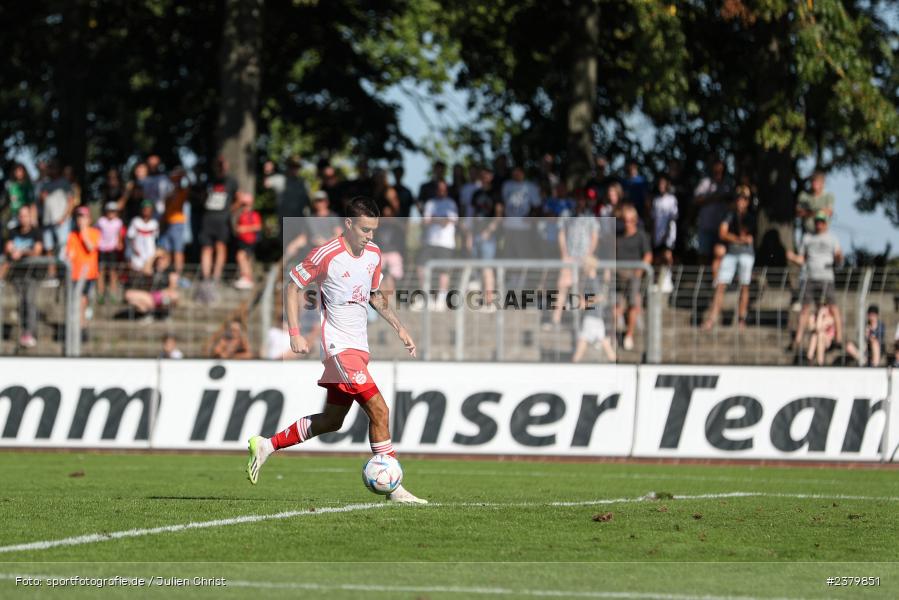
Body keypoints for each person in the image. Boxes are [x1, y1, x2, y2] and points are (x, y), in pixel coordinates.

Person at [246, 196, 426, 504]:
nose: (370, 236)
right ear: (349, 224)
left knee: (332, 421)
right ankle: (394, 488)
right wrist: (294, 333)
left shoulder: (374, 254)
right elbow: (292, 285)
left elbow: (374, 295)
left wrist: (400, 327)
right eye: (365, 229)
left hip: (359, 348)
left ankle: (267, 445)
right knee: (380, 410)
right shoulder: (326, 254)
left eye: (373, 230)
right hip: (338, 348)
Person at [788, 211, 843, 352]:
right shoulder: (808, 238)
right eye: (817, 221)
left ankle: (839, 338)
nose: (819, 224)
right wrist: (793, 257)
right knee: (805, 308)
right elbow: (802, 259)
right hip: (810, 277)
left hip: (826, 277)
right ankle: (798, 339)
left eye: (822, 222)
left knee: (833, 307)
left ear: (826, 223)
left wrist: (839, 258)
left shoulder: (832, 239)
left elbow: (838, 257)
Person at [702, 186, 756, 331]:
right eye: (739, 198)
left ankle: (741, 319)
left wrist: (735, 236)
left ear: (748, 201)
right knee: (720, 285)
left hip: (746, 254)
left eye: (744, 199)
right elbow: (723, 233)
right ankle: (712, 319)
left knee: (744, 285)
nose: (740, 202)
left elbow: (746, 235)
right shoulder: (729, 215)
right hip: (731, 253)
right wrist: (738, 239)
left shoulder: (750, 217)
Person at [551, 190, 598, 327]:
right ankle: (555, 320)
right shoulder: (566, 214)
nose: (580, 202)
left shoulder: (590, 216)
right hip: (570, 257)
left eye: (582, 199)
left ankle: (583, 322)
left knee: (585, 289)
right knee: (562, 286)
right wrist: (564, 255)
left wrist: (588, 255)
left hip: (585, 258)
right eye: (578, 198)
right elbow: (561, 234)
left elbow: (594, 236)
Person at [4, 205, 43, 347]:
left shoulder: (36, 232)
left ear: (30, 217)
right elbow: (8, 247)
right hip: (17, 274)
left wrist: (21, 253)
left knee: (29, 302)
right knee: (21, 303)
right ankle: (24, 331)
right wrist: (11, 251)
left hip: (32, 274)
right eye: (21, 216)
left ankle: (30, 332)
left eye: (26, 215)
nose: (23, 218)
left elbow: (37, 250)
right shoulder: (13, 231)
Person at [615, 205, 652, 351]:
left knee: (633, 304)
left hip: (634, 276)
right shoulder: (618, 236)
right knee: (615, 305)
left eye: (630, 220)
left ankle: (629, 335)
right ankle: (615, 335)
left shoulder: (641, 236)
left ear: (635, 220)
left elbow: (648, 255)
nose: (627, 223)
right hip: (618, 276)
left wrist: (639, 271)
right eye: (625, 220)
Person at [420, 180, 458, 311]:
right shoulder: (430, 203)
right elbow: (426, 221)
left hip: (446, 243)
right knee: (421, 267)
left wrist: (435, 218)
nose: (441, 191)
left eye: (444, 189)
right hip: (430, 242)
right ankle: (427, 298)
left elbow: (448, 221)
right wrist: (439, 219)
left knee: (444, 271)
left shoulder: (451, 203)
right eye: (439, 189)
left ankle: (441, 299)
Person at [199, 157, 237, 285]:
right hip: (208, 219)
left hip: (223, 220)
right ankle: (206, 277)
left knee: (221, 246)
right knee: (206, 248)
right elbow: (202, 197)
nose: (221, 167)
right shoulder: (209, 181)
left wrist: (229, 210)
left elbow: (239, 198)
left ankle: (216, 276)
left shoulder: (231, 182)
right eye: (218, 165)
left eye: (223, 164)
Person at [693, 160, 731, 281]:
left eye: (721, 171)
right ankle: (702, 281)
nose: (718, 173)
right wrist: (713, 197)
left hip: (721, 227)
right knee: (703, 254)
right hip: (706, 225)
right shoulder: (706, 183)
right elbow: (696, 199)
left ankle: (716, 282)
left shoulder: (727, 184)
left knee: (719, 254)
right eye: (716, 170)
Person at [65, 207, 101, 328]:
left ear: (89, 219)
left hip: (89, 273)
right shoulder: (72, 235)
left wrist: (84, 232)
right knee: (79, 298)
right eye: (79, 217)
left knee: (83, 297)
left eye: (84, 217)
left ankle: (82, 321)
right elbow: (69, 254)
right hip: (75, 274)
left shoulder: (94, 233)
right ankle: (79, 321)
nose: (81, 220)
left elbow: (90, 247)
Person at [39, 160, 75, 266]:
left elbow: (71, 202)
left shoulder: (64, 183)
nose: (52, 170)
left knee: (62, 248)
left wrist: (64, 218)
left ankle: (65, 272)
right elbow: (41, 201)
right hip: (48, 221)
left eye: (54, 168)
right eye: (50, 168)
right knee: (48, 247)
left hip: (62, 221)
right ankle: (52, 273)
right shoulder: (45, 184)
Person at [158, 167, 189, 279]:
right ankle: (164, 274)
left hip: (177, 223)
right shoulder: (169, 194)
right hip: (167, 224)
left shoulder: (183, 191)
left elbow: (188, 185)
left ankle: (178, 275)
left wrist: (183, 175)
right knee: (165, 250)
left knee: (178, 250)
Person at [650, 174, 678, 292]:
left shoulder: (672, 199)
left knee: (667, 255)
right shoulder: (656, 200)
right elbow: (653, 218)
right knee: (658, 257)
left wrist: (667, 232)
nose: (661, 186)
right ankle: (659, 280)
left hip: (669, 234)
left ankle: (668, 277)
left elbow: (673, 217)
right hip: (657, 233)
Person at [233, 192, 261, 290]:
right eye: (243, 205)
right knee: (246, 259)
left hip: (249, 241)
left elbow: (257, 226)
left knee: (240, 256)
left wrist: (244, 229)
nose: (244, 207)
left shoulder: (253, 215)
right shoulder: (241, 214)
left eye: (246, 204)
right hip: (242, 240)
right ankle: (247, 278)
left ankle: (247, 277)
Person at [96, 202, 124, 302]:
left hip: (112, 249)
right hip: (102, 249)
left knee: (113, 272)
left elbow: (119, 233)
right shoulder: (101, 221)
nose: (111, 213)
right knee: (100, 272)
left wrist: (120, 242)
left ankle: (113, 294)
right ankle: (100, 294)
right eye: (109, 211)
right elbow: (96, 232)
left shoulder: (118, 222)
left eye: (113, 211)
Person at [797, 169, 835, 236]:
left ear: (822, 183)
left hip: (824, 234)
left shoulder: (829, 196)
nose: (815, 184)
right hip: (808, 234)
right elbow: (799, 212)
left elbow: (829, 212)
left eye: (817, 182)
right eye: (813, 181)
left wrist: (812, 212)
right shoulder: (804, 195)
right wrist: (817, 212)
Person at [127, 200, 160, 276]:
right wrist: (134, 250)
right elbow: (130, 237)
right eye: (144, 209)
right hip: (137, 254)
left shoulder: (154, 223)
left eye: (148, 209)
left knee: (149, 274)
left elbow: (156, 239)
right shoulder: (135, 221)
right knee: (136, 274)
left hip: (150, 255)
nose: (146, 211)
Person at [3, 163, 37, 227]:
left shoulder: (28, 185)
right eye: (16, 171)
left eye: (20, 171)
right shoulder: (11, 185)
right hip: (14, 216)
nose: (18, 173)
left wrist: (33, 218)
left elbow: (32, 203)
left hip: (26, 216)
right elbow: (8, 201)